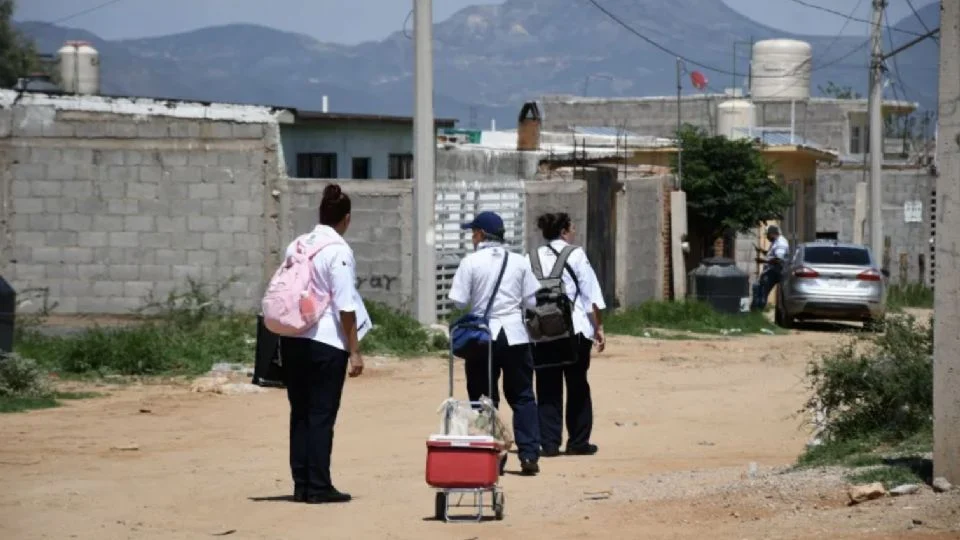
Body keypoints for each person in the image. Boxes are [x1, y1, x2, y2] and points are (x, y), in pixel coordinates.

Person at [280, 183, 371, 504]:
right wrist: (355, 350)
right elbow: (345, 306)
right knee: (321, 415)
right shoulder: (338, 251)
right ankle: (319, 486)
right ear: (346, 219)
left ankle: (302, 483)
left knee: (300, 414)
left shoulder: (298, 245)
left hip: (292, 339)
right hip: (326, 343)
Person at [448, 211, 544, 475]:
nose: (471, 238)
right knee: (523, 396)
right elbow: (532, 302)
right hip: (515, 336)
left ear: (480, 234)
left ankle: (493, 455)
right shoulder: (519, 261)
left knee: (483, 398)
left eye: (473, 233)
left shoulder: (471, 262)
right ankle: (528, 454)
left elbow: (457, 300)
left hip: (482, 337)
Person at [528, 213, 606, 458]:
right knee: (577, 385)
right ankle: (578, 442)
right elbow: (590, 295)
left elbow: (525, 297)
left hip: (541, 332)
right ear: (563, 231)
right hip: (575, 330)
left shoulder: (530, 257)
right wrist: (598, 328)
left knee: (546, 386)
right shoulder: (576, 254)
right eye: (572, 228)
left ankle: (549, 444)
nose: (574, 233)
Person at [751, 224, 790, 311]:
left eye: (767, 235)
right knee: (759, 288)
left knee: (760, 289)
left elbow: (778, 260)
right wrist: (761, 251)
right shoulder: (776, 241)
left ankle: (757, 310)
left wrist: (763, 261)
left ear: (772, 233)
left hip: (774, 272)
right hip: (771, 271)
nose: (767, 237)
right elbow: (772, 255)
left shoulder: (780, 243)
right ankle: (757, 309)